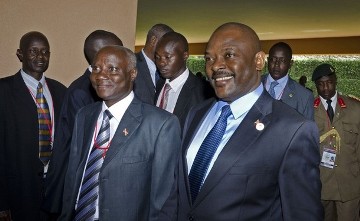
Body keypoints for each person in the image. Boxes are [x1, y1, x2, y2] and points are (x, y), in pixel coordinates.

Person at [159, 22, 323, 220]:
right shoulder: (197, 113)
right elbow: (177, 192)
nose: (215, 65)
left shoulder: (292, 130)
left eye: (229, 55)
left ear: (259, 61)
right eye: (209, 58)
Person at [59, 45, 181, 220]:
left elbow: (164, 200)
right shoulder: (84, 115)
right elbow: (72, 178)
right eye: (96, 68)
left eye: (112, 69)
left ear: (132, 74)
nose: (101, 75)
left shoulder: (161, 124)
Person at [42, 30, 123, 217]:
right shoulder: (82, 91)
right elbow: (83, 150)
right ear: (100, 55)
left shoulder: (103, 88)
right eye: (117, 49)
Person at [0, 31, 66, 221]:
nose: (40, 57)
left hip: (54, 190)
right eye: (33, 51)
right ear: (20, 54)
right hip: (17, 191)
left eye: (45, 52)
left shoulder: (60, 91)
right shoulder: (4, 91)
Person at [312, 63, 360, 221]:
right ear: (316, 86)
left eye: (329, 82)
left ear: (336, 81)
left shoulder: (355, 108)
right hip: (321, 186)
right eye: (321, 84)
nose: (326, 88)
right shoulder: (309, 111)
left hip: (349, 185)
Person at [154, 31, 214, 129]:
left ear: (185, 56)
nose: (161, 63)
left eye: (167, 57)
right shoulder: (159, 84)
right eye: (157, 57)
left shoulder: (204, 92)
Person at [262, 42, 314, 120]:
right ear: (268, 60)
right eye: (273, 59)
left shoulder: (304, 96)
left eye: (282, 61)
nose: (276, 64)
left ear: (290, 64)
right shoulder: (251, 85)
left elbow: (307, 130)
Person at [134, 23, 174, 104]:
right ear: (153, 40)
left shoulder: (168, 69)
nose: (168, 48)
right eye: (166, 43)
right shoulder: (131, 63)